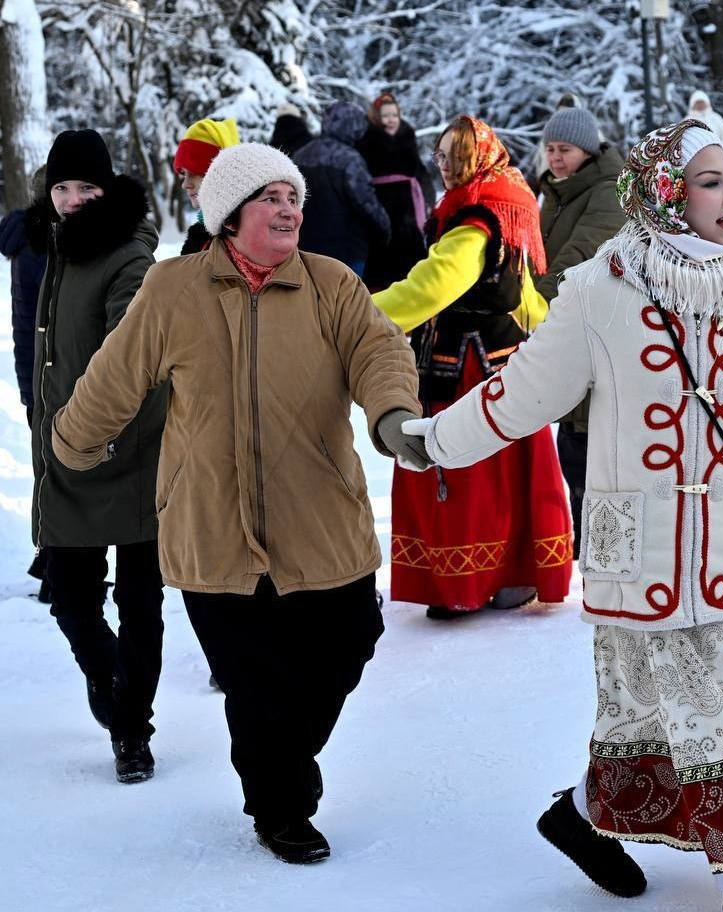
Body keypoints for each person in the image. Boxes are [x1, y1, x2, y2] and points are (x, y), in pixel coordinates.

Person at [394, 119, 723, 912]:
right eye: (711, 182)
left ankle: (579, 819)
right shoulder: (601, 291)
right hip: (641, 559)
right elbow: (521, 393)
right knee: (721, 718)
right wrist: (435, 440)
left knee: (651, 720)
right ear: (667, 192)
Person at [51, 142, 424, 864]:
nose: (289, 209)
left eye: (294, 198)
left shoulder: (330, 283)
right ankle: (281, 808)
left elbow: (379, 353)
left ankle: (281, 770)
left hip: (320, 515)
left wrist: (392, 417)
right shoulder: (174, 289)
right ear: (228, 213)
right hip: (212, 526)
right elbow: (115, 375)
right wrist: (70, 447)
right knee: (255, 685)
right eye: (271, 198)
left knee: (348, 645)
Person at [372, 115, 572, 620]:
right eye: (438, 157)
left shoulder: (477, 218)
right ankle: (511, 576)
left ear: (474, 158)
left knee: (468, 471)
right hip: (498, 363)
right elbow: (525, 296)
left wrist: (358, 315)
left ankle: (471, 583)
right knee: (499, 472)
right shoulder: (503, 201)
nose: (443, 167)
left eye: (452, 157)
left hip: (467, 367)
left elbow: (433, 286)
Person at [31, 129, 166, 784]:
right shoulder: (56, 248)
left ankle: (132, 732)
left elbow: (125, 357)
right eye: (62, 187)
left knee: (140, 602)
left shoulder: (129, 255)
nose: (73, 199)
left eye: (86, 187)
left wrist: (90, 431)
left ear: (106, 189)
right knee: (68, 595)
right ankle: (110, 682)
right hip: (65, 452)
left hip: (131, 450)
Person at [536, 106, 627, 557]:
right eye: (550, 148)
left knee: (594, 445)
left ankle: (604, 549)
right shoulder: (556, 192)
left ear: (587, 151)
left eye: (564, 149)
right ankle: (585, 544)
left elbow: (580, 254)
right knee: (573, 440)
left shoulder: (608, 192)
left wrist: (530, 299)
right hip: (571, 328)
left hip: (603, 331)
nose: (555, 157)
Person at [0, 165, 51, 603]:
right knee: (55, 473)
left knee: (48, 471)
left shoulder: (27, 243)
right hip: (47, 375)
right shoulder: (41, 246)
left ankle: (49, 558)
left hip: (33, 374)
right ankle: (54, 563)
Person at [294, 101, 390, 276]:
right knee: (347, 301)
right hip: (347, 250)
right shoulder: (350, 159)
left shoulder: (301, 155)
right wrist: (385, 229)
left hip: (305, 248)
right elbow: (366, 203)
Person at [356, 92, 434, 291]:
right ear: (376, 117)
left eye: (394, 115)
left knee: (410, 259)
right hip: (381, 205)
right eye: (385, 115)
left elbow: (420, 172)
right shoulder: (366, 139)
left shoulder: (408, 137)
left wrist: (428, 199)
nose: (391, 120)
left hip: (408, 207)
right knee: (382, 255)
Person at [173, 117, 241, 255]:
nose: (185, 184)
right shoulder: (202, 237)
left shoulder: (242, 238)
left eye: (194, 173)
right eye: (184, 174)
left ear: (219, 173)